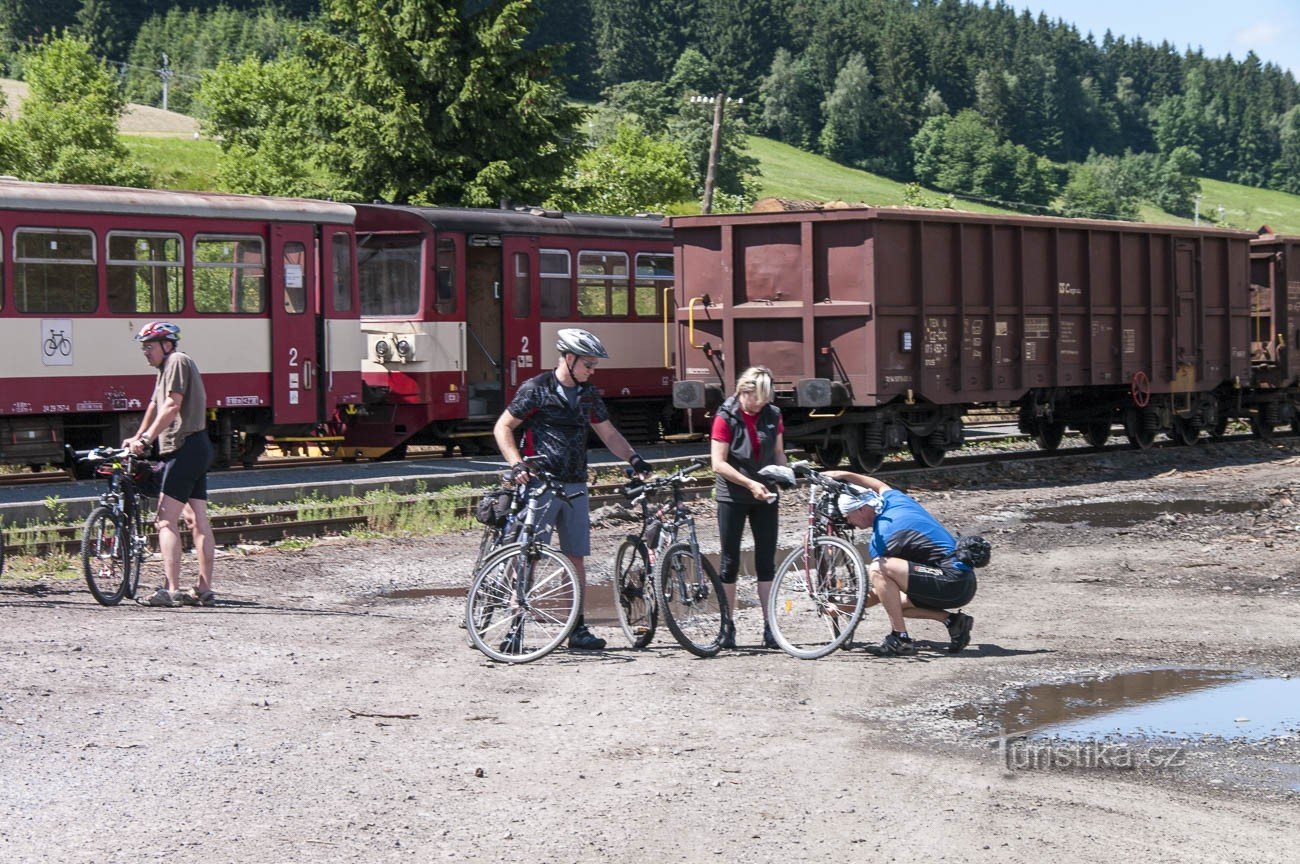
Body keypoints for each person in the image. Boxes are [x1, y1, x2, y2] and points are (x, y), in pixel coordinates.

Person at [493, 328, 652, 651]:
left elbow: (608, 433)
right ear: (569, 358)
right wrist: (516, 463)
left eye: (593, 366)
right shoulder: (537, 389)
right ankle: (514, 625)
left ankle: (576, 628)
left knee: (575, 557)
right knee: (530, 554)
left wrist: (634, 458)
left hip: (575, 484)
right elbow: (503, 427)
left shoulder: (588, 394)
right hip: (540, 482)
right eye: (589, 365)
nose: (592, 371)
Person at [824, 469, 984, 656]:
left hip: (951, 583)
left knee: (878, 568)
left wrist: (842, 608)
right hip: (964, 581)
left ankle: (899, 638)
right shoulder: (893, 501)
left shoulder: (883, 536)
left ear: (861, 508)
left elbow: (877, 592)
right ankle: (953, 622)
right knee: (896, 603)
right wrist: (844, 474)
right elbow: (878, 485)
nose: (848, 521)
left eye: (848, 515)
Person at [123, 322, 217, 608]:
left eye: (149, 346)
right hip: (197, 446)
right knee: (196, 519)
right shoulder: (166, 369)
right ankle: (203, 589)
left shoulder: (176, 361)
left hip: (183, 447)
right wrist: (138, 436)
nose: (145, 352)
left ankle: (172, 590)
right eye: (143, 347)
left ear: (167, 345)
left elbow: (172, 405)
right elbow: (154, 405)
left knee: (165, 519)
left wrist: (148, 438)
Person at [711, 366, 787, 649]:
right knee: (729, 562)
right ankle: (727, 626)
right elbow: (718, 463)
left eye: (766, 399)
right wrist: (748, 484)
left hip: (766, 494)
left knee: (766, 562)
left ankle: (771, 627)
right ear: (744, 391)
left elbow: (778, 452)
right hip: (733, 494)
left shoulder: (773, 414)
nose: (762, 404)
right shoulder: (725, 416)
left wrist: (784, 474)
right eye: (758, 398)